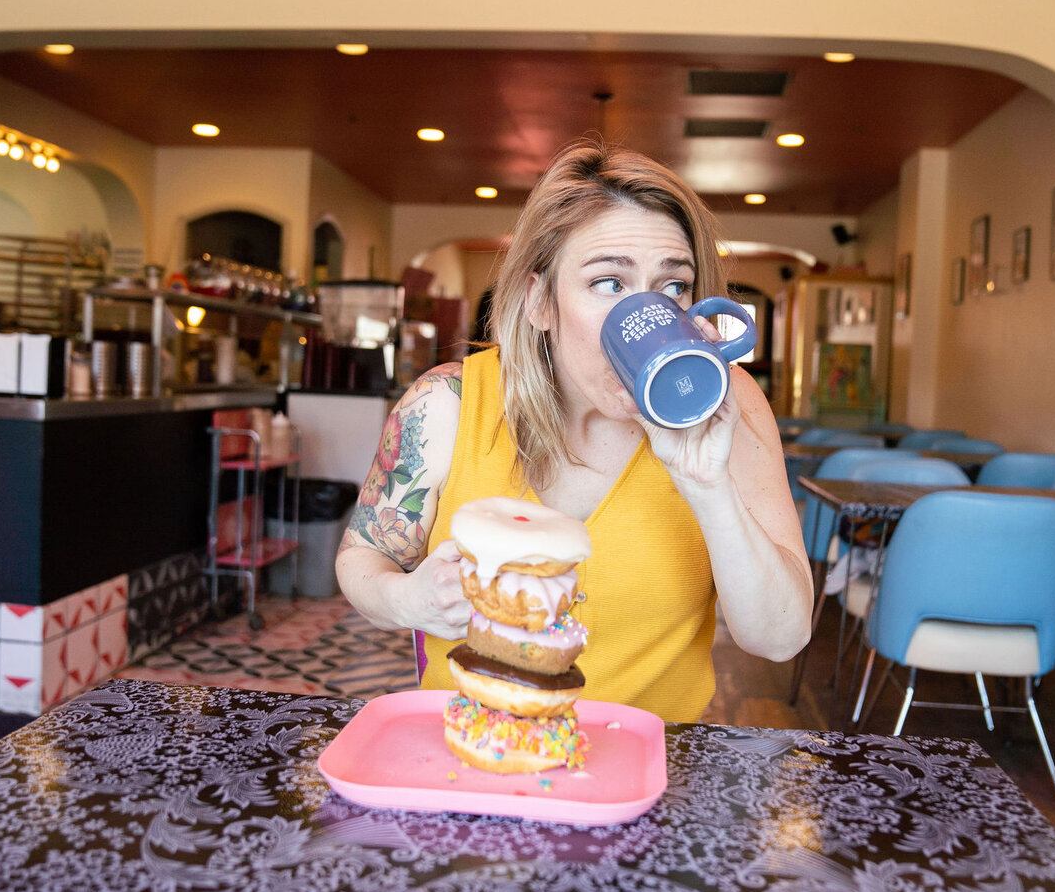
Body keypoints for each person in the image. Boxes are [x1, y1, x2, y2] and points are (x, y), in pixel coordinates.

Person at [335, 140, 813, 722]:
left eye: (672, 288)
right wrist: (406, 599)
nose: (645, 313)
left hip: (652, 773)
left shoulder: (727, 407)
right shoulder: (449, 403)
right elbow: (362, 558)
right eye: (608, 282)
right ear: (540, 301)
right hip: (472, 762)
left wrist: (708, 486)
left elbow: (780, 638)